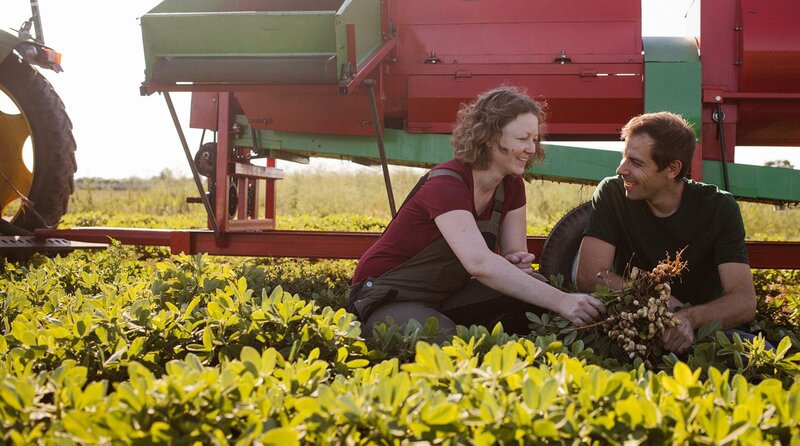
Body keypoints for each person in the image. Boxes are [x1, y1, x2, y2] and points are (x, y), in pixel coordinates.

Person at [347, 86, 605, 342]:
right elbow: (479, 263)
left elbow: (513, 257)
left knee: (532, 290)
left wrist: (515, 261)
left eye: (535, 139)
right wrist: (562, 301)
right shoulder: (446, 184)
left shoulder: (511, 186)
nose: (531, 148)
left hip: (446, 295)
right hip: (388, 294)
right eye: (522, 138)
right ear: (491, 137)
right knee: (442, 340)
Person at [575, 111, 757, 354]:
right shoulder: (613, 193)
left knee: (763, 361)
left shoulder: (719, 208)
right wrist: (660, 300)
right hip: (631, 325)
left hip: (704, 329)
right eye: (624, 157)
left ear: (672, 169)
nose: (621, 169)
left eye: (636, 162)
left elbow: (744, 301)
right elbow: (589, 276)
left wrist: (688, 319)